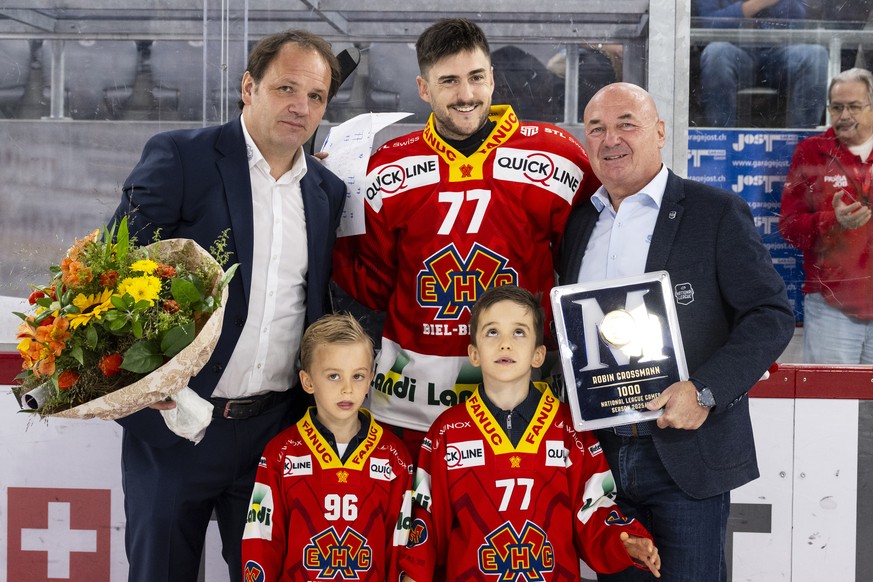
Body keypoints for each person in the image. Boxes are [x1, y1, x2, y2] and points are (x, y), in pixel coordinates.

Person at [109, 30, 346, 581]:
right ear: (248, 86)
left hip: (274, 433)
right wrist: (150, 395)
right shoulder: (183, 157)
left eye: (315, 97)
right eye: (286, 87)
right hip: (177, 428)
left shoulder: (326, 192)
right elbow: (110, 277)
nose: (300, 106)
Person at [557, 83, 794, 581]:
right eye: (596, 128)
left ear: (660, 132)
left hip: (684, 452)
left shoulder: (714, 211)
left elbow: (770, 314)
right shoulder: (579, 223)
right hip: (601, 458)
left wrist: (704, 391)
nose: (610, 138)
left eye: (627, 123)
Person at [332, 18, 600, 457]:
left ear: (492, 78)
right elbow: (372, 286)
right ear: (423, 87)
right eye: (449, 81)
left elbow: (590, 264)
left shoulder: (558, 154)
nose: (466, 95)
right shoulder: (382, 168)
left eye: (476, 77)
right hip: (413, 407)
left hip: (528, 401)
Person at [398, 285, 661, 581]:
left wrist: (623, 540)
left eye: (519, 332)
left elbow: (595, 507)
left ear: (538, 355)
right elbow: (425, 518)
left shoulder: (570, 428)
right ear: (474, 353)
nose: (505, 344)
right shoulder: (446, 430)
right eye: (492, 332)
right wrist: (413, 573)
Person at [241, 313, 413, 581]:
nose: (347, 389)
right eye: (333, 376)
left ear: (371, 379)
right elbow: (261, 540)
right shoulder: (281, 453)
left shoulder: (394, 455)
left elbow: (400, 543)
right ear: (308, 381)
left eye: (358, 376)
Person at [780, 67, 873, 364]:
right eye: (836, 107)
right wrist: (832, 222)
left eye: (854, 106)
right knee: (831, 407)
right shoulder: (811, 153)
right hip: (832, 308)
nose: (844, 115)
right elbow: (789, 227)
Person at [694, 0, 827, 128]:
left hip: (780, 52)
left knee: (816, 55)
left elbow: (799, 19)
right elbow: (709, 24)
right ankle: (720, 140)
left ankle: (803, 143)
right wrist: (758, 3)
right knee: (716, 53)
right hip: (735, 51)